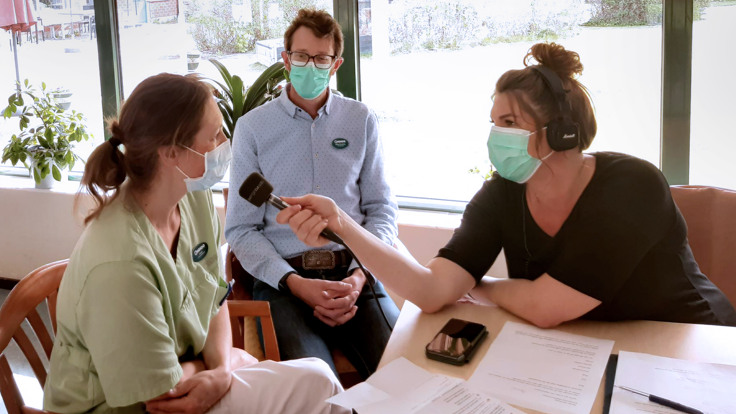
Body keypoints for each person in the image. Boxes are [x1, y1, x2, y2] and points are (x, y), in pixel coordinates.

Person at [276, 42, 736, 328]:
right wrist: (342, 224)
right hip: (591, 347)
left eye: (510, 121)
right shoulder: (501, 195)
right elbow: (431, 290)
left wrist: (483, 285)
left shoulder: (632, 185)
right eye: (494, 122)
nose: (496, 135)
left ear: (560, 131)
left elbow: (545, 306)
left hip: (690, 344)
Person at [43, 73, 349, 414]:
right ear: (172, 153)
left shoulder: (193, 197)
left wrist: (221, 369)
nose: (225, 141)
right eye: (214, 134)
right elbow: (161, 394)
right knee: (318, 384)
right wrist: (221, 369)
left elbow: (213, 297)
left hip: (190, 377)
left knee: (317, 382)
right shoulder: (120, 265)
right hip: (141, 405)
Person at [225, 8, 399, 380]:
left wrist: (358, 276)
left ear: (335, 65)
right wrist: (295, 283)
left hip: (355, 277)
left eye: (321, 58)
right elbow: (241, 229)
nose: (310, 66)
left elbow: (381, 209)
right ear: (286, 60)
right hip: (286, 284)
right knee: (316, 385)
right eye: (301, 56)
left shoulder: (360, 120)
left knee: (405, 373)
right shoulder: (253, 129)